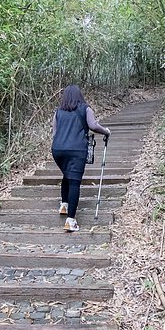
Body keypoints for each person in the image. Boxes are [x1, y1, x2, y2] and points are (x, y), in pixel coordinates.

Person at [51, 85, 110, 231]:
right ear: (79, 95)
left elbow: (54, 133)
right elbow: (93, 126)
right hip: (76, 150)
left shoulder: (58, 112)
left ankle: (64, 205)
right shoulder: (86, 109)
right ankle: (71, 221)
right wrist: (106, 131)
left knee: (67, 175)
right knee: (74, 182)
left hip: (57, 150)